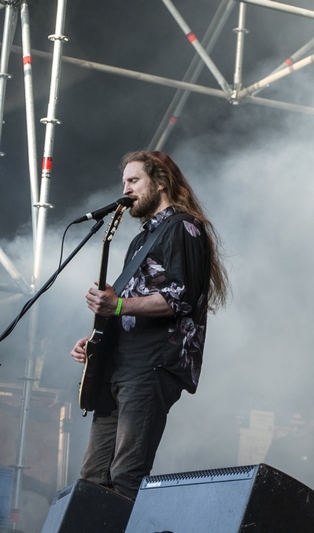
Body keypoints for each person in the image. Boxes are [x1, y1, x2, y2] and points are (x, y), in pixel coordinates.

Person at [70, 151, 228, 500]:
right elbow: (125, 309)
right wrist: (97, 339)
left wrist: (119, 304)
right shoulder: (142, 239)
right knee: (93, 478)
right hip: (120, 366)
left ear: (160, 182)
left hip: (152, 365)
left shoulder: (183, 227)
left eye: (133, 181)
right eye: (123, 182)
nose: (124, 190)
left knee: (126, 474)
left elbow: (179, 298)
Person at [264, 410, 314, 494]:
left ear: (311, 424)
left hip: (313, 501)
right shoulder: (277, 446)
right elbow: (268, 476)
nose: (295, 430)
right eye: (292, 426)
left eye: (301, 426)